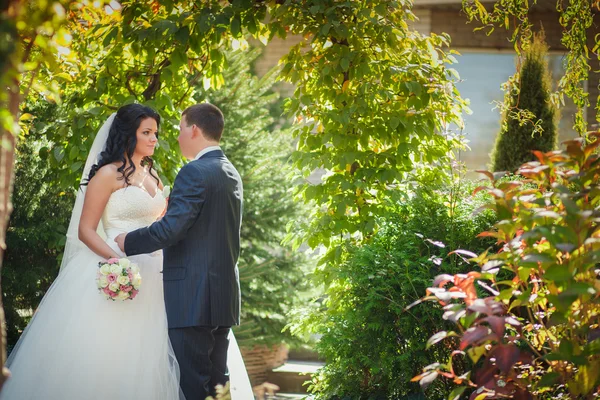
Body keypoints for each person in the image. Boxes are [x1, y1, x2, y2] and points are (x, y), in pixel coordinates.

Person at [0, 103, 251, 400]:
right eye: (147, 132)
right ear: (128, 134)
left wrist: (148, 235)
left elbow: (169, 226)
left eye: (155, 133)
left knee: (173, 365)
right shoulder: (107, 174)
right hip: (118, 268)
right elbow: (86, 230)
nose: (154, 139)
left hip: (161, 279)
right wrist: (118, 260)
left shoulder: (154, 176)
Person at [115, 103, 244, 400]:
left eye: (180, 129)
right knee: (217, 385)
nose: (177, 136)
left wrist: (127, 242)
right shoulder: (229, 171)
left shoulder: (194, 171)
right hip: (222, 297)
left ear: (194, 130)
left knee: (191, 386)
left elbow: (172, 230)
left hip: (192, 296)